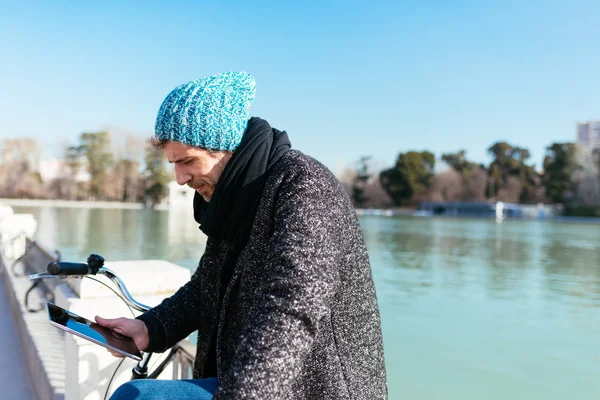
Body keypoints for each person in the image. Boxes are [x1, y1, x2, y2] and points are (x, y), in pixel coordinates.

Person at [96, 71, 388, 399]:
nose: (179, 178)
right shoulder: (229, 197)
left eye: (188, 161)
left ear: (228, 148)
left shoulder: (305, 187)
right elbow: (206, 286)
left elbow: (292, 307)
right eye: (173, 164)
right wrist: (150, 327)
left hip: (308, 390)